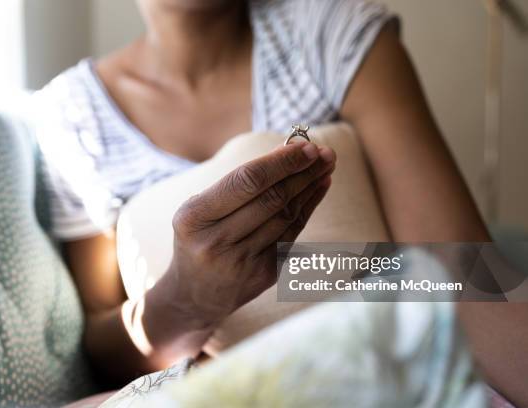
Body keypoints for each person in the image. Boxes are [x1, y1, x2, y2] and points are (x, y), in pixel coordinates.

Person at [36, 0, 504, 396]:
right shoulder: (75, 115)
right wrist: (186, 298)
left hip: (395, 365)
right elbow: (103, 346)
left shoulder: (330, 32)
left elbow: (459, 269)